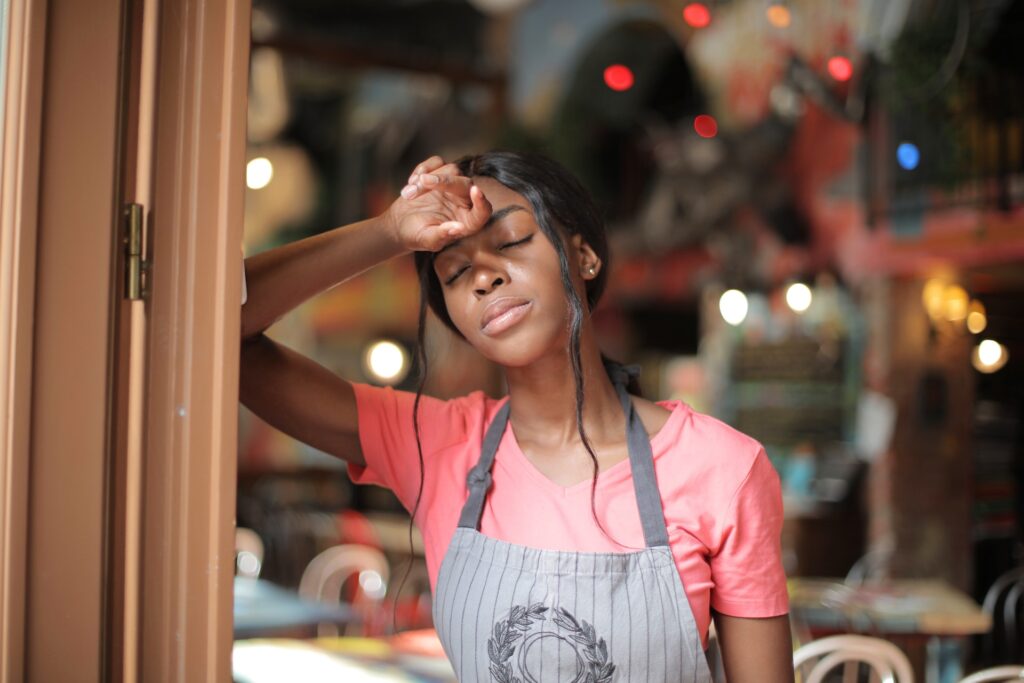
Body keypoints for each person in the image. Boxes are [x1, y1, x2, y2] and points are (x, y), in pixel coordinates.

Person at [240, 151, 794, 682]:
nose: (483, 278)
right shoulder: (433, 443)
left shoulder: (722, 468)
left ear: (583, 256)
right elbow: (226, 334)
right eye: (456, 274)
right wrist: (387, 232)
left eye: (511, 241)